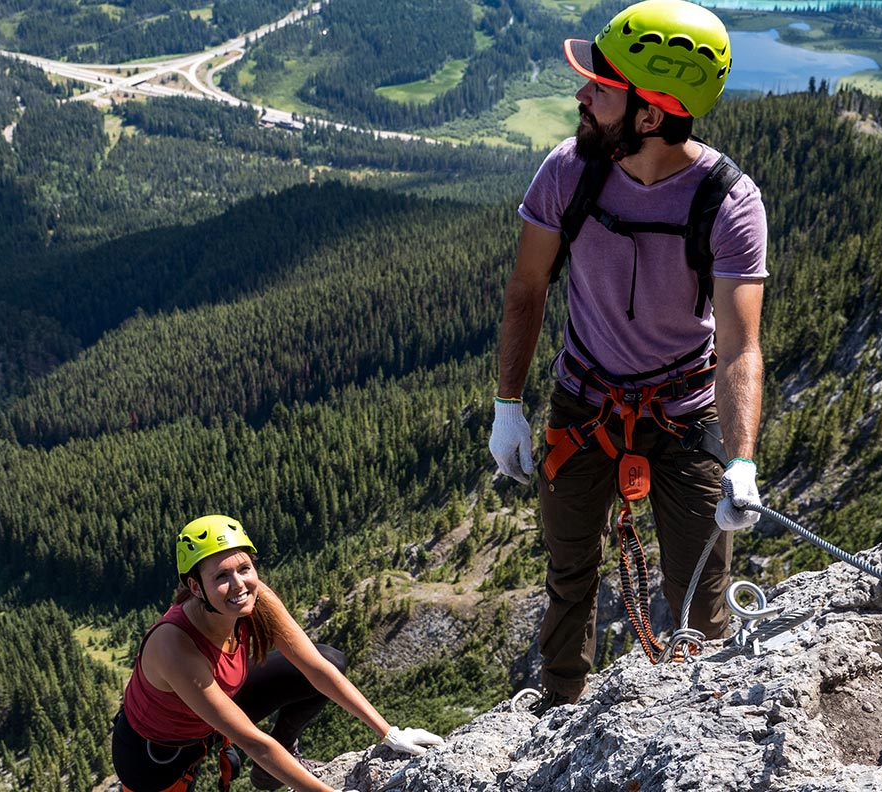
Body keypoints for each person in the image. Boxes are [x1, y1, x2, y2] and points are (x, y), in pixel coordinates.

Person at [488, 0, 767, 715]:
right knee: (569, 571)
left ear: (649, 115)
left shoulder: (728, 201)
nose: (581, 96)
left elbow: (739, 346)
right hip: (585, 400)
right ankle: (559, 707)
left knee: (700, 597)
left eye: (601, 88)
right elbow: (527, 290)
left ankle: (697, 718)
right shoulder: (569, 171)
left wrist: (739, 461)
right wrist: (508, 406)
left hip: (683, 415)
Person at [112, 514, 445, 792]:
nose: (239, 584)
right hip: (158, 756)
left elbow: (315, 669)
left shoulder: (254, 600)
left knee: (331, 660)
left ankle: (280, 757)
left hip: (215, 709)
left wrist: (388, 732)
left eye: (244, 568)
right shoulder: (174, 646)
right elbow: (255, 744)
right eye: (221, 577)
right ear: (196, 587)